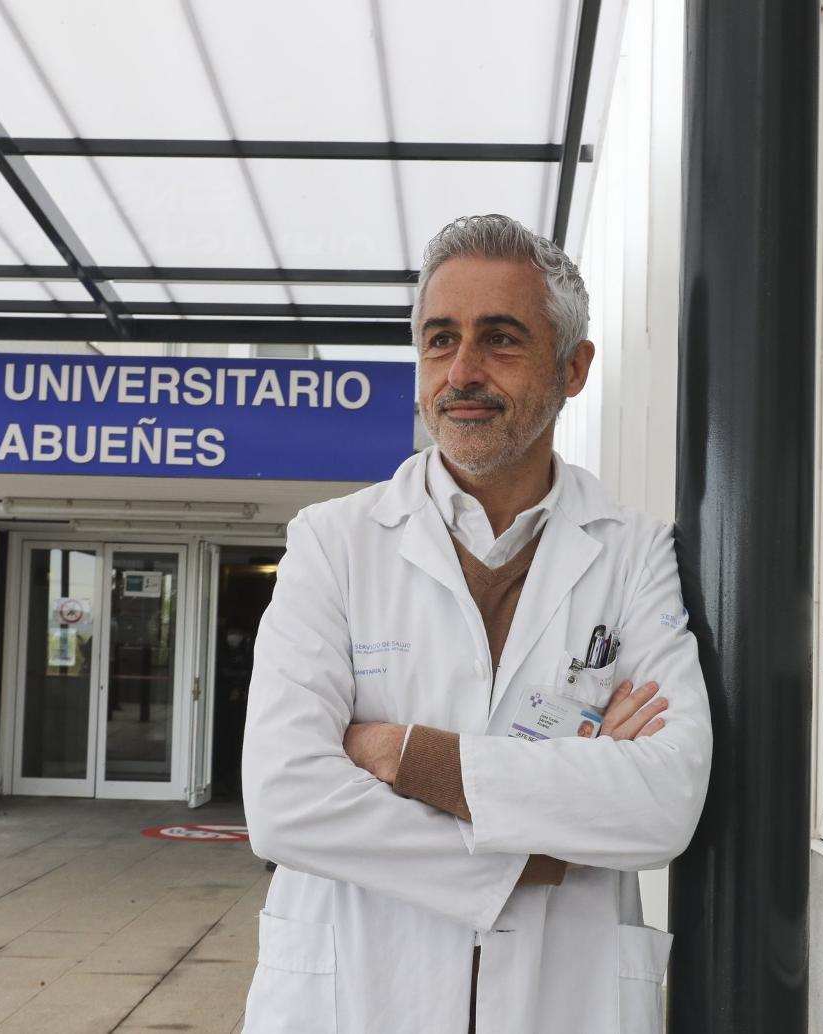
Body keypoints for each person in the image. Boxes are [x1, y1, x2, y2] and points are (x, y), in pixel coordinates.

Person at [240, 214, 712, 1034]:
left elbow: (664, 801)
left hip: (560, 996)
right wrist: (543, 835)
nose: (461, 372)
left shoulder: (633, 552)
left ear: (574, 369)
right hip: (355, 993)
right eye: (439, 339)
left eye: (500, 340)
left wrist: (406, 756)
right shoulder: (332, 543)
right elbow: (283, 800)